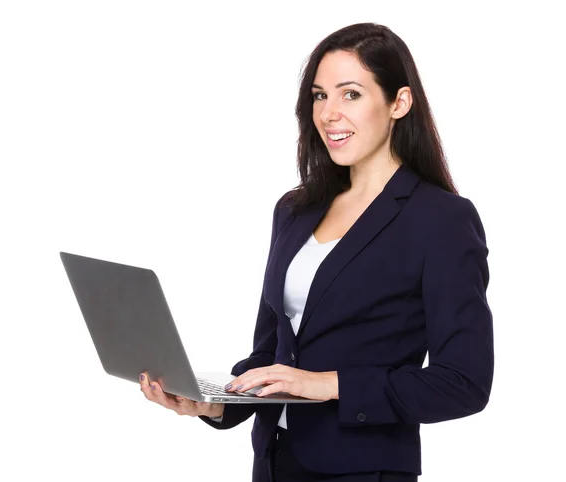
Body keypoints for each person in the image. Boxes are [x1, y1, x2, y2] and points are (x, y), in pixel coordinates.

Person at [138, 22, 494, 482]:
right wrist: (214, 402)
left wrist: (325, 385)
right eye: (319, 95)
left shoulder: (440, 220)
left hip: (363, 470)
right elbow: (270, 354)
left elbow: (463, 383)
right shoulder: (295, 209)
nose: (328, 113)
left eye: (350, 94)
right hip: (273, 463)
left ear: (399, 103)